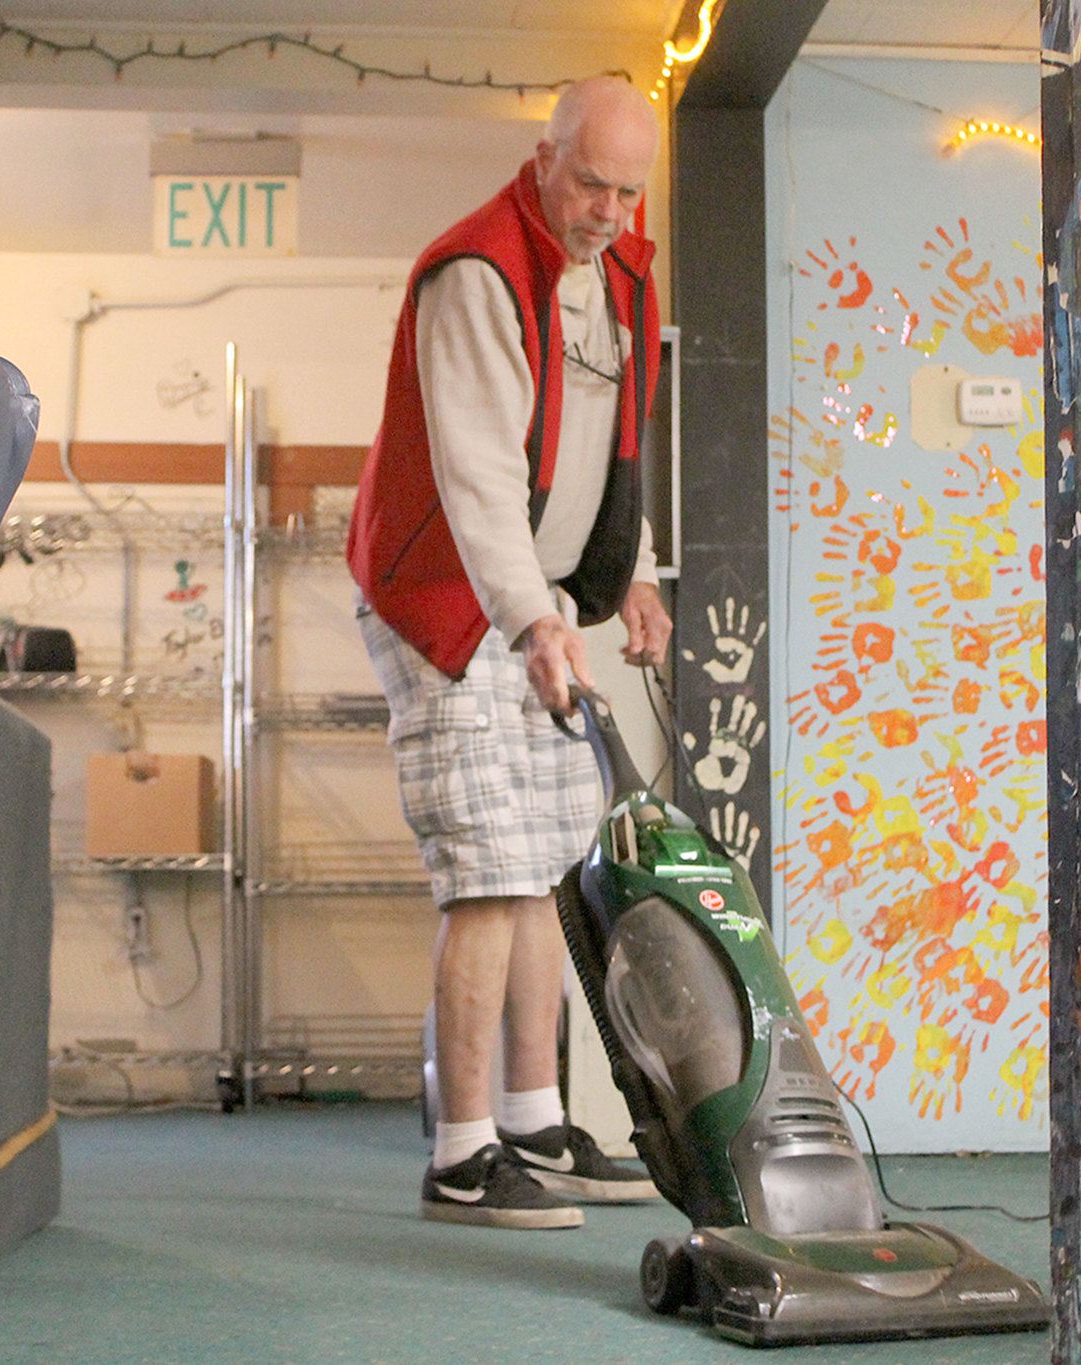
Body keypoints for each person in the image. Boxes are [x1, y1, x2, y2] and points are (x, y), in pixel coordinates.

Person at [347, 75, 673, 1229]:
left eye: (628, 192)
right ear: (542, 159)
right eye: (590, 183)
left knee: (542, 862)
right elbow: (479, 478)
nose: (607, 210)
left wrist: (627, 566)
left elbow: (601, 441)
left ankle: (534, 1119)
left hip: (528, 598)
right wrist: (536, 623)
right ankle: (459, 1149)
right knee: (487, 872)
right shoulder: (477, 271)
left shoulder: (616, 272)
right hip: (445, 600)